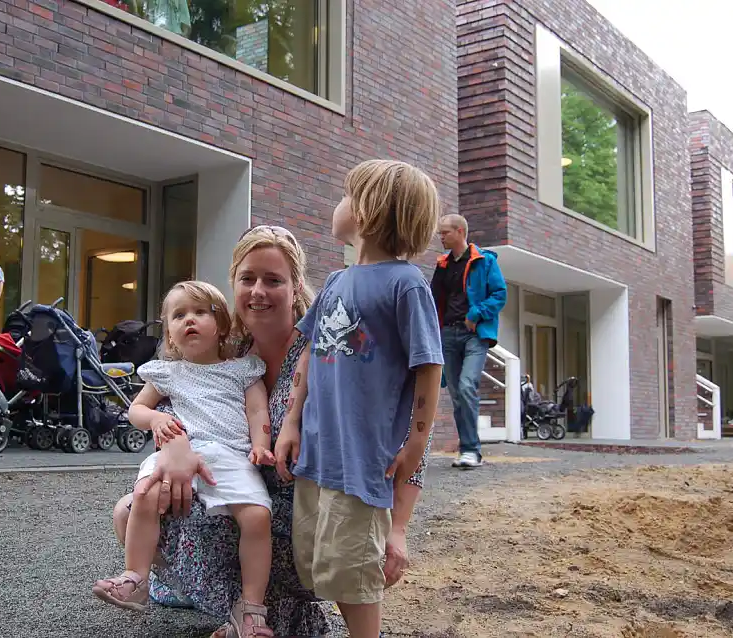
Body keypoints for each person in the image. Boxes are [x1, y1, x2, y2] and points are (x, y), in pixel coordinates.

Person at [98, 225, 434, 638]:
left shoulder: (325, 347)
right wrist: (175, 448)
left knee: (239, 521)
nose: (258, 290)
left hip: (307, 504)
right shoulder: (227, 349)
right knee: (131, 509)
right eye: (247, 279)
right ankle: (254, 612)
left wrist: (397, 529)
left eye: (273, 280)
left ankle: (263, 610)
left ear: (295, 286)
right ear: (233, 286)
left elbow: (403, 431)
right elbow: (176, 401)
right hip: (237, 485)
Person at [273, 159, 444, 638]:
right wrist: (290, 423)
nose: (337, 205)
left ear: (368, 211)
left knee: (355, 574)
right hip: (319, 452)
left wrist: (415, 443)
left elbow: (429, 368)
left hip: (363, 459)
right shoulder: (334, 282)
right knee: (326, 565)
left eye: (346, 195)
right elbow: (308, 354)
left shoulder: (406, 284)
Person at [93, 281, 276, 636]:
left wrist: (261, 443)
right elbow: (136, 410)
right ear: (171, 335)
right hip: (180, 447)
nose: (189, 320)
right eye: (179, 316)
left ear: (221, 324)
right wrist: (158, 418)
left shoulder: (242, 369)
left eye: (200, 312)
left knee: (257, 516)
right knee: (146, 494)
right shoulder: (167, 372)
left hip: (230, 454)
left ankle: (251, 608)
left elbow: (257, 410)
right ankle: (136, 577)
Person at [431, 213, 507, 469]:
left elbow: (499, 294)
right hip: (448, 335)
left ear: (460, 232)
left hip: (474, 335)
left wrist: (476, 313)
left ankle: (472, 450)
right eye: (440, 233)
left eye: (445, 232)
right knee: (456, 395)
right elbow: (433, 301)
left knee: (466, 386)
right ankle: (467, 448)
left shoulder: (484, 262)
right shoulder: (442, 265)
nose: (440, 236)